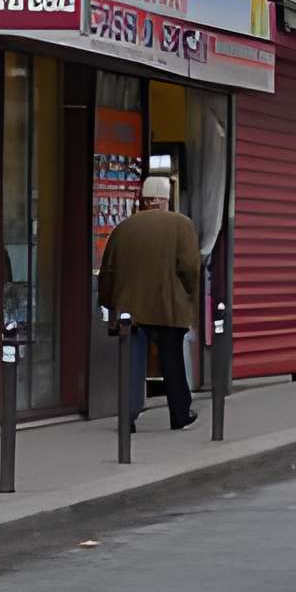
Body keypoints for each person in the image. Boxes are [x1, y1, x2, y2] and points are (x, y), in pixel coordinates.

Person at [98, 172, 206, 429]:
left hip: (130, 308)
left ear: (144, 200)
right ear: (166, 200)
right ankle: (179, 413)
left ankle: (128, 416)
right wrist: (188, 297)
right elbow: (190, 267)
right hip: (169, 306)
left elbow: (108, 271)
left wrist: (111, 302)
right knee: (172, 362)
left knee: (132, 363)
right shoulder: (182, 225)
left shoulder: (124, 227)